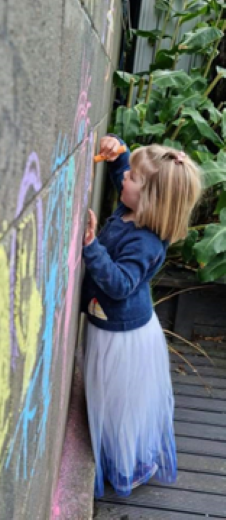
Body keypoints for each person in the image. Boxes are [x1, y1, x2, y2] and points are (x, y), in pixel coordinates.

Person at [82, 134, 202, 499]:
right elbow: (126, 170)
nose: (123, 178)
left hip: (122, 337)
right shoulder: (136, 205)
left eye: (132, 177)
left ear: (150, 198)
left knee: (119, 405)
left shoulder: (145, 241)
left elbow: (119, 284)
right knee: (114, 401)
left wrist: (91, 247)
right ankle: (121, 457)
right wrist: (119, 150)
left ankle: (127, 466)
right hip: (114, 326)